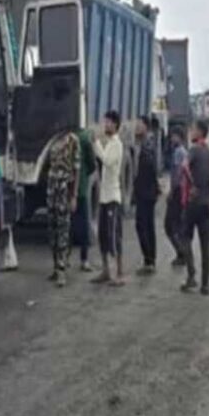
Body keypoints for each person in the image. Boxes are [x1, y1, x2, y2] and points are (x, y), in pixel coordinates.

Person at [180, 119, 209, 295]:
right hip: (206, 204)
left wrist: (192, 184)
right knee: (205, 245)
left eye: (193, 129)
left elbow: (184, 167)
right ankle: (205, 284)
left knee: (185, 237)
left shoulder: (194, 150)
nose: (191, 131)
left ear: (200, 133)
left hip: (193, 203)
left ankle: (191, 275)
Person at [92, 111, 125, 286]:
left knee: (114, 237)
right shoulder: (110, 143)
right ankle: (106, 271)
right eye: (105, 122)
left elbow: (106, 160)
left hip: (113, 197)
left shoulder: (117, 144)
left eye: (108, 122)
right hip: (104, 198)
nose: (105, 125)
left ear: (115, 125)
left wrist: (96, 143)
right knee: (103, 237)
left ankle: (119, 273)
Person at [45, 129, 80, 287]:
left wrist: (74, 196)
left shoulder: (73, 140)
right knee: (52, 229)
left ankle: (62, 270)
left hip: (65, 189)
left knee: (63, 229)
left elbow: (77, 169)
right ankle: (55, 266)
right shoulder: (52, 139)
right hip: (52, 188)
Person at [133, 117, 160, 274]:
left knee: (142, 225)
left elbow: (149, 168)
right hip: (149, 191)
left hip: (146, 192)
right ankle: (150, 260)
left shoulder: (147, 145)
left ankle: (148, 260)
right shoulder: (149, 142)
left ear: (146, 127)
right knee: (148, 226)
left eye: (139, 125)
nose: (136, 127)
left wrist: (141, 187)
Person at [71, 127, 98, 272]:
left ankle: (64, 260)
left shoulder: (64, 138)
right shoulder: (84, 138)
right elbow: (92, 165)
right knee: (84, 224)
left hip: (65, 189)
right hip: (81, 189)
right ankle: (84, 260)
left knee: (66, 225)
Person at [164, 127, 189, 267]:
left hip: (178, 191)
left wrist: (171, 192)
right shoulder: (183, 151)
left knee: (170, 225)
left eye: (174, 136)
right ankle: (182, 253)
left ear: (180, 137)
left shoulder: (178, 152)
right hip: (181, 191)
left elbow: (177, 175)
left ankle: (181, 253)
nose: (172, 139)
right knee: (177, 225)